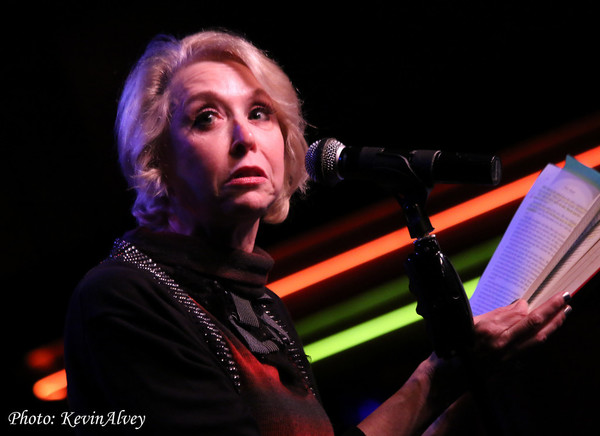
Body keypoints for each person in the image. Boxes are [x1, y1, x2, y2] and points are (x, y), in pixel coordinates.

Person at [64, 29, 571, 435]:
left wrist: (463, 384)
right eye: (207, 118)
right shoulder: (122, 297)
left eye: (259, 113)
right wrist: (432, 380)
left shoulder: (260, 306)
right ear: (157, 162)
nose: (244, 138)